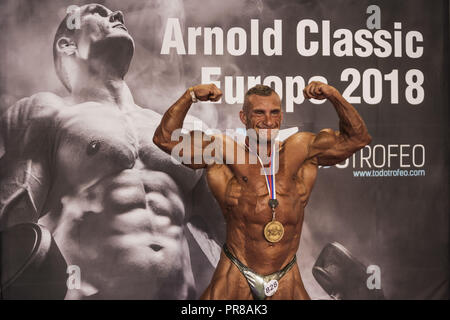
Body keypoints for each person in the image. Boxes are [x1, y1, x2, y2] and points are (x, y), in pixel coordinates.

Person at [0, 3, 224, 299]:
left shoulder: (185, 130)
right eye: (98, 12)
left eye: (115, 13)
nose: (117, 15)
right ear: (67, 45)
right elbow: (10, 217)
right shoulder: (49, 115)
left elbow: (242, 235)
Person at [153, 82, 372, 299]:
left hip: (286, 277)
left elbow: (357, 138)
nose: (268, 121)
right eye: (259, 113)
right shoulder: (223, 151)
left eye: (274, 112)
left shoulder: (302, 149)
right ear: (243, 117)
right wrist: (190, 96)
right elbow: (164, 139)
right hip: (236, 274)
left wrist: (333, 95)